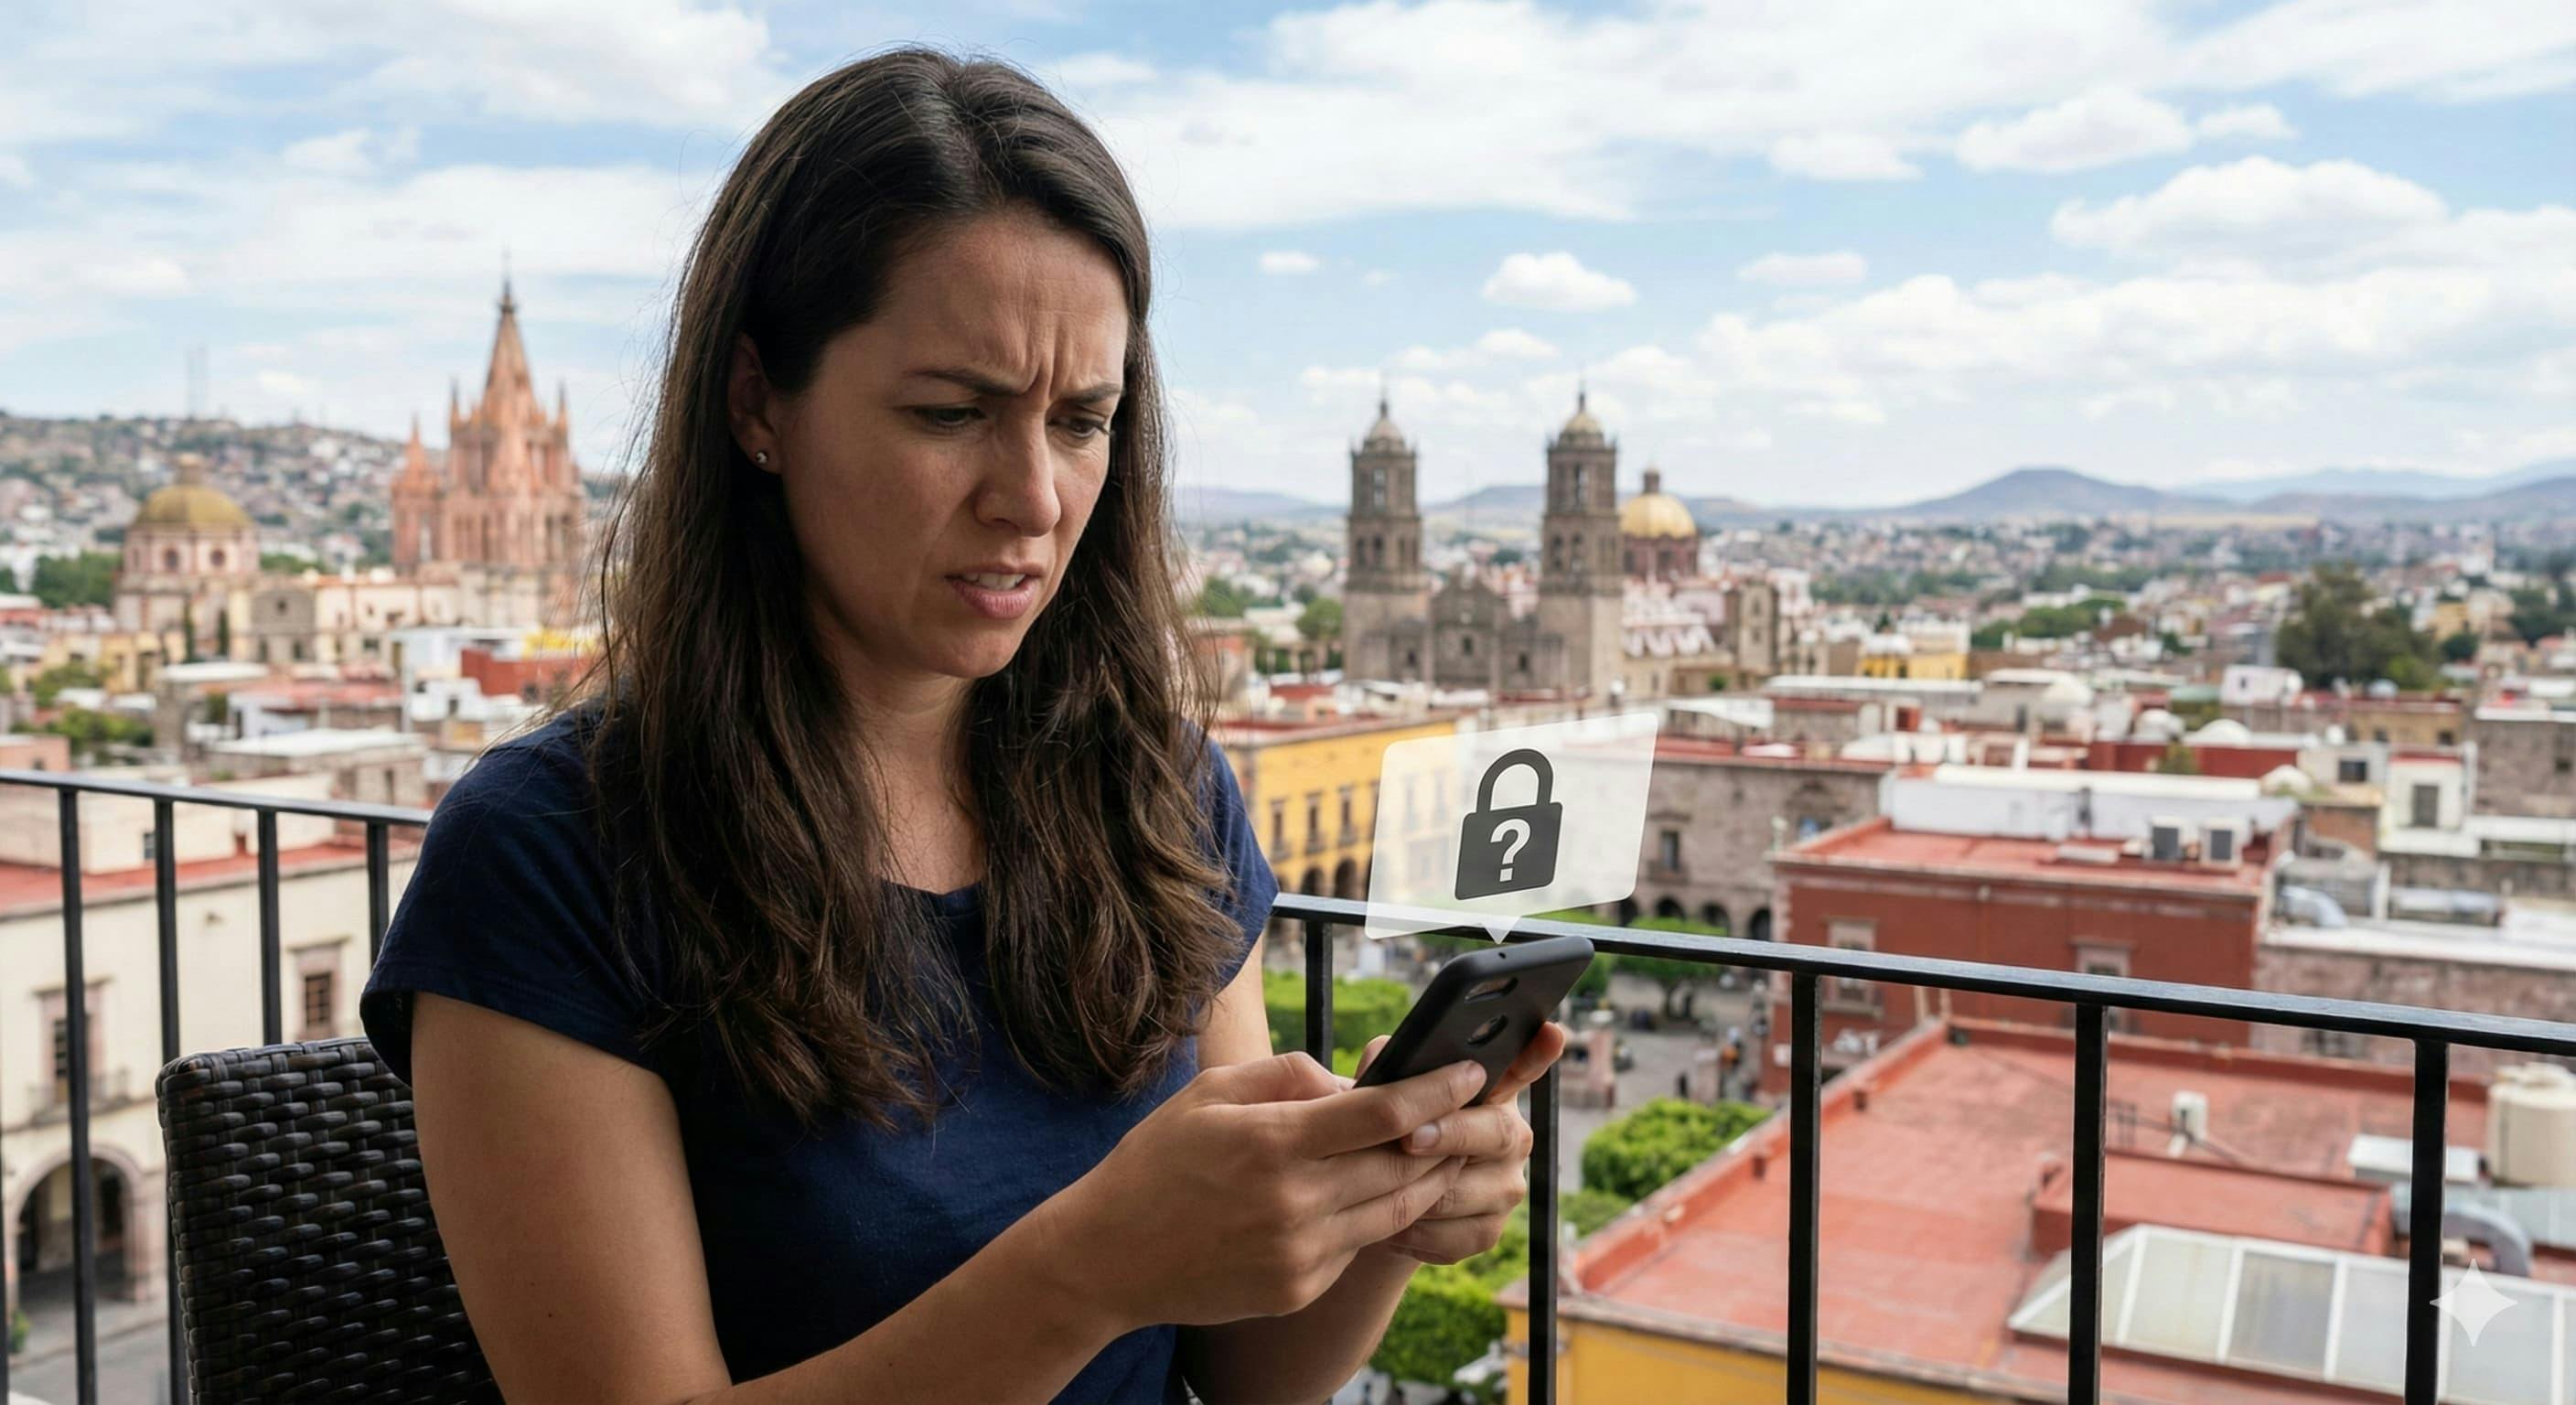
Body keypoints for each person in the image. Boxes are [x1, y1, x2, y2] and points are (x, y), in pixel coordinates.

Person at [359, 48, 1565, 1404]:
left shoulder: (1157, 788)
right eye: (952, 414)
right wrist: (1089, 1269)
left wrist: (1376, 1218)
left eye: (1084, 422)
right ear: (758, 404)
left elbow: (1244, 1377)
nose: (1036, 499)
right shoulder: (552, 854)